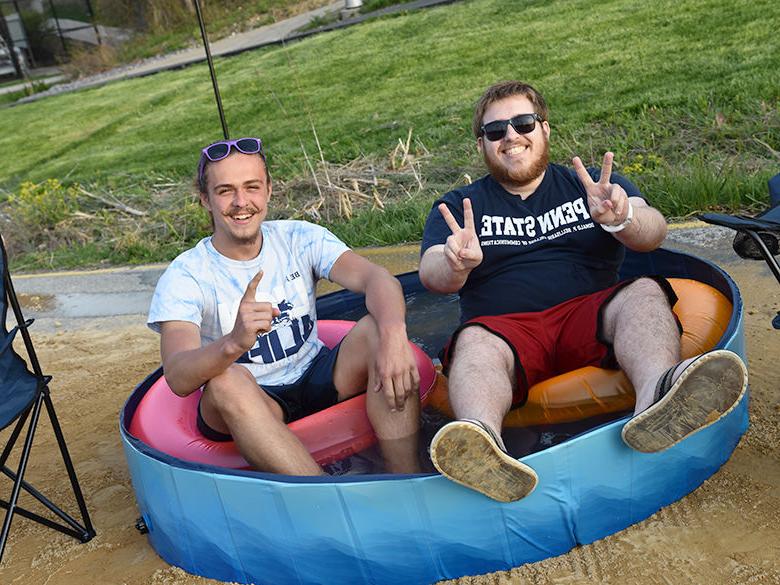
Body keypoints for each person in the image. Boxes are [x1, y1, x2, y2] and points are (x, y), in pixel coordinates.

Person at [419, 81, 748, 502]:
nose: (511, 137)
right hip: (506, 331)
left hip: (591, 315)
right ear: (482, 143)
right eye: (496, 130)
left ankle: (659, 401)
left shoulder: (591, 184)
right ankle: (483, 449)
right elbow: (431, 275)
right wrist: (453, 262)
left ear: (545, 129)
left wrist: (624, 217)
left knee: (643, 291)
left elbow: (653, 232)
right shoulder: (460, 205)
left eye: (522, 123)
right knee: (475, 342)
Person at [147, 137, 421, 475]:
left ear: (269, 190)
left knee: (379, 328)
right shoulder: (186, 275)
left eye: (252, 187)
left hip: (315, 373)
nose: (241, 202)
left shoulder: (299, 238)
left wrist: (394, 336)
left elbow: (378, 279)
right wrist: (232, 342)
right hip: (253, 397)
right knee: (226, 382)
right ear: (205, 199)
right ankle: (327, 500)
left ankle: (407, 478)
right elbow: (177, 376)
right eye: (225, 191)